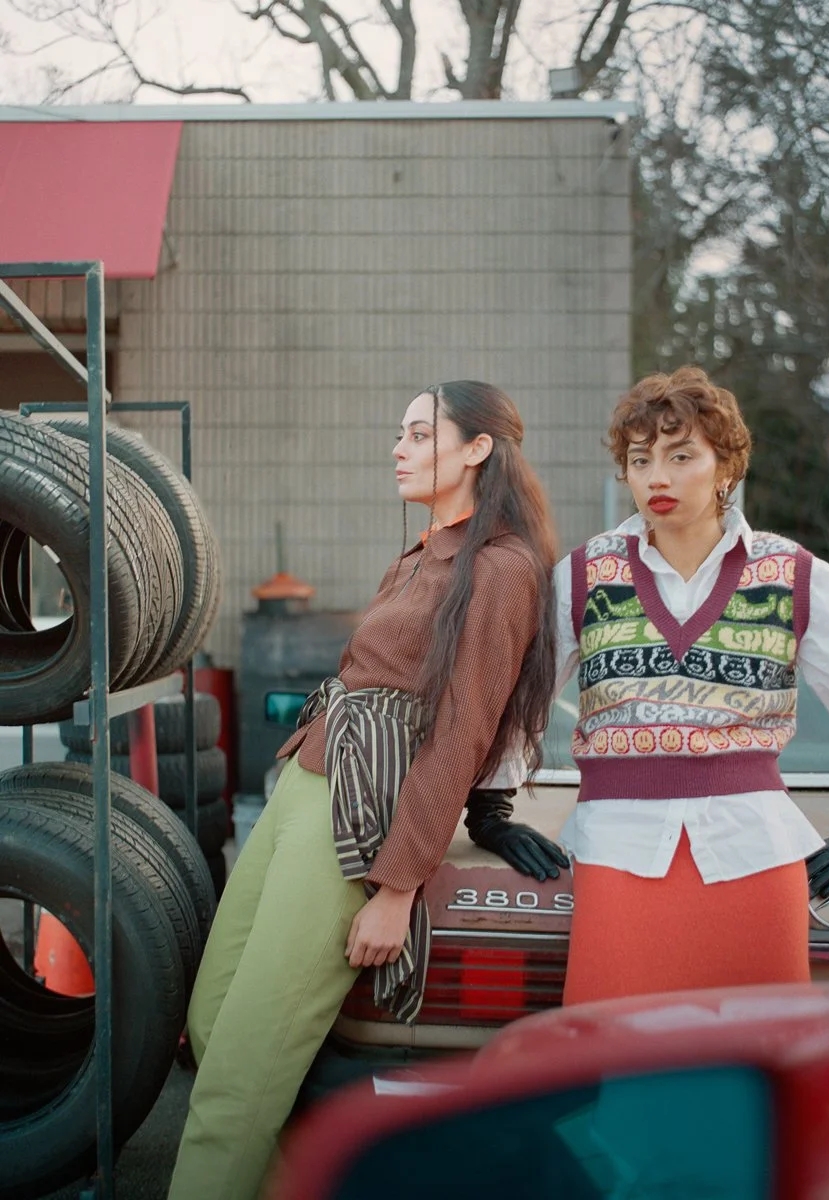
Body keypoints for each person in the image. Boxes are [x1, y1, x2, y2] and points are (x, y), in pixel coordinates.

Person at [168, 380, 567, 1200]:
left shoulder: (501, 568)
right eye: (402, 434)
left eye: (419, 435)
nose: (398, 448)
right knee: (211, 1024)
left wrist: (396, 887)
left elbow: (463, 732)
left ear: (477, 449)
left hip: (354, 820)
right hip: (304, 787)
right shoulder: (425, 551)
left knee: (239, 1076)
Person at [554, 366, 829, 1005]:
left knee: (750, 1070)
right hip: (615, 854)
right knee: (617, 1059)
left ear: (726, 467)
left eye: (681, 456)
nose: (657, 478)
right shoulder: (583, 574)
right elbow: (519, 702)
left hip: (756, 860)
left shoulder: (795, 574)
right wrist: (493, 810)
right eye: (640, 460)